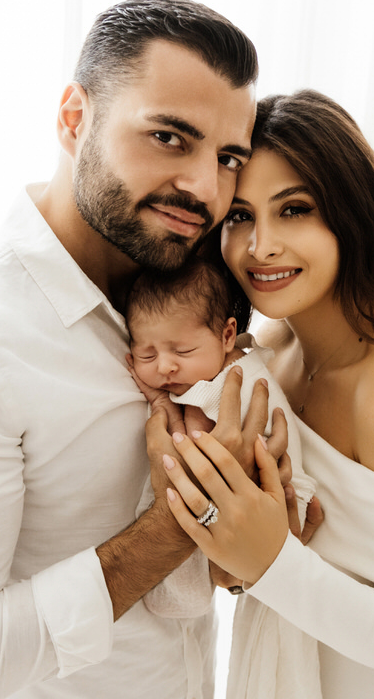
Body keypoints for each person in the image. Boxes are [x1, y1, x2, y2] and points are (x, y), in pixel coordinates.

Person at [0, 0, 311, 699]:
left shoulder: (197, 302)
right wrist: (182, 517)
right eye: (168, 136)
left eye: (227, 159)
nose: (204, 187)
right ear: (73, 118)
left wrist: (254, 532)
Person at [160, 89, 374, 699]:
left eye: (295, 209)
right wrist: (237, 560)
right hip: (290, 686)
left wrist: (268, 560)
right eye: (240, 217)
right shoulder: (268, 353)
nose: (261, 246)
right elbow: (267, 545)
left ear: (351, 213)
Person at [124, 258, 317, 616]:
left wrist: (159, 400)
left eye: (182, 351)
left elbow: (189, 435)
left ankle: (185, 596)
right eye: (146, 354)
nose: (165, 366)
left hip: (285, 503)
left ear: (227, 336)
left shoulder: (233, 378)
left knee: (182, 572)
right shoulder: (211, 366)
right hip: (261, 506)